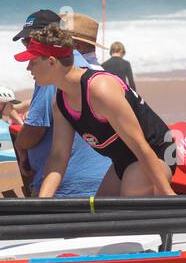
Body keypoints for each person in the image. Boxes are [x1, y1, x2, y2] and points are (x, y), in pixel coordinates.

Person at [18, 21, 175, 196]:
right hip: (122, 161)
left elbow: (140, 145)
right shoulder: (60, 101)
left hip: (156, 154)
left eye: (33, 62)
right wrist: (43, 201)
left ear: (52, 62)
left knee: (128, 209)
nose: (28, 67)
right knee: (99, 214)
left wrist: (167, 194)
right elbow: (58, 156)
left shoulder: (100, 90)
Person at [11, 10, 112, 197]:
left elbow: (35, 131)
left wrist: (20, 145)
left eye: (29, 42)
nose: (28, 48)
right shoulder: (91, 70)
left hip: (68, 187)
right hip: (104, 182)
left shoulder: (54, 72)